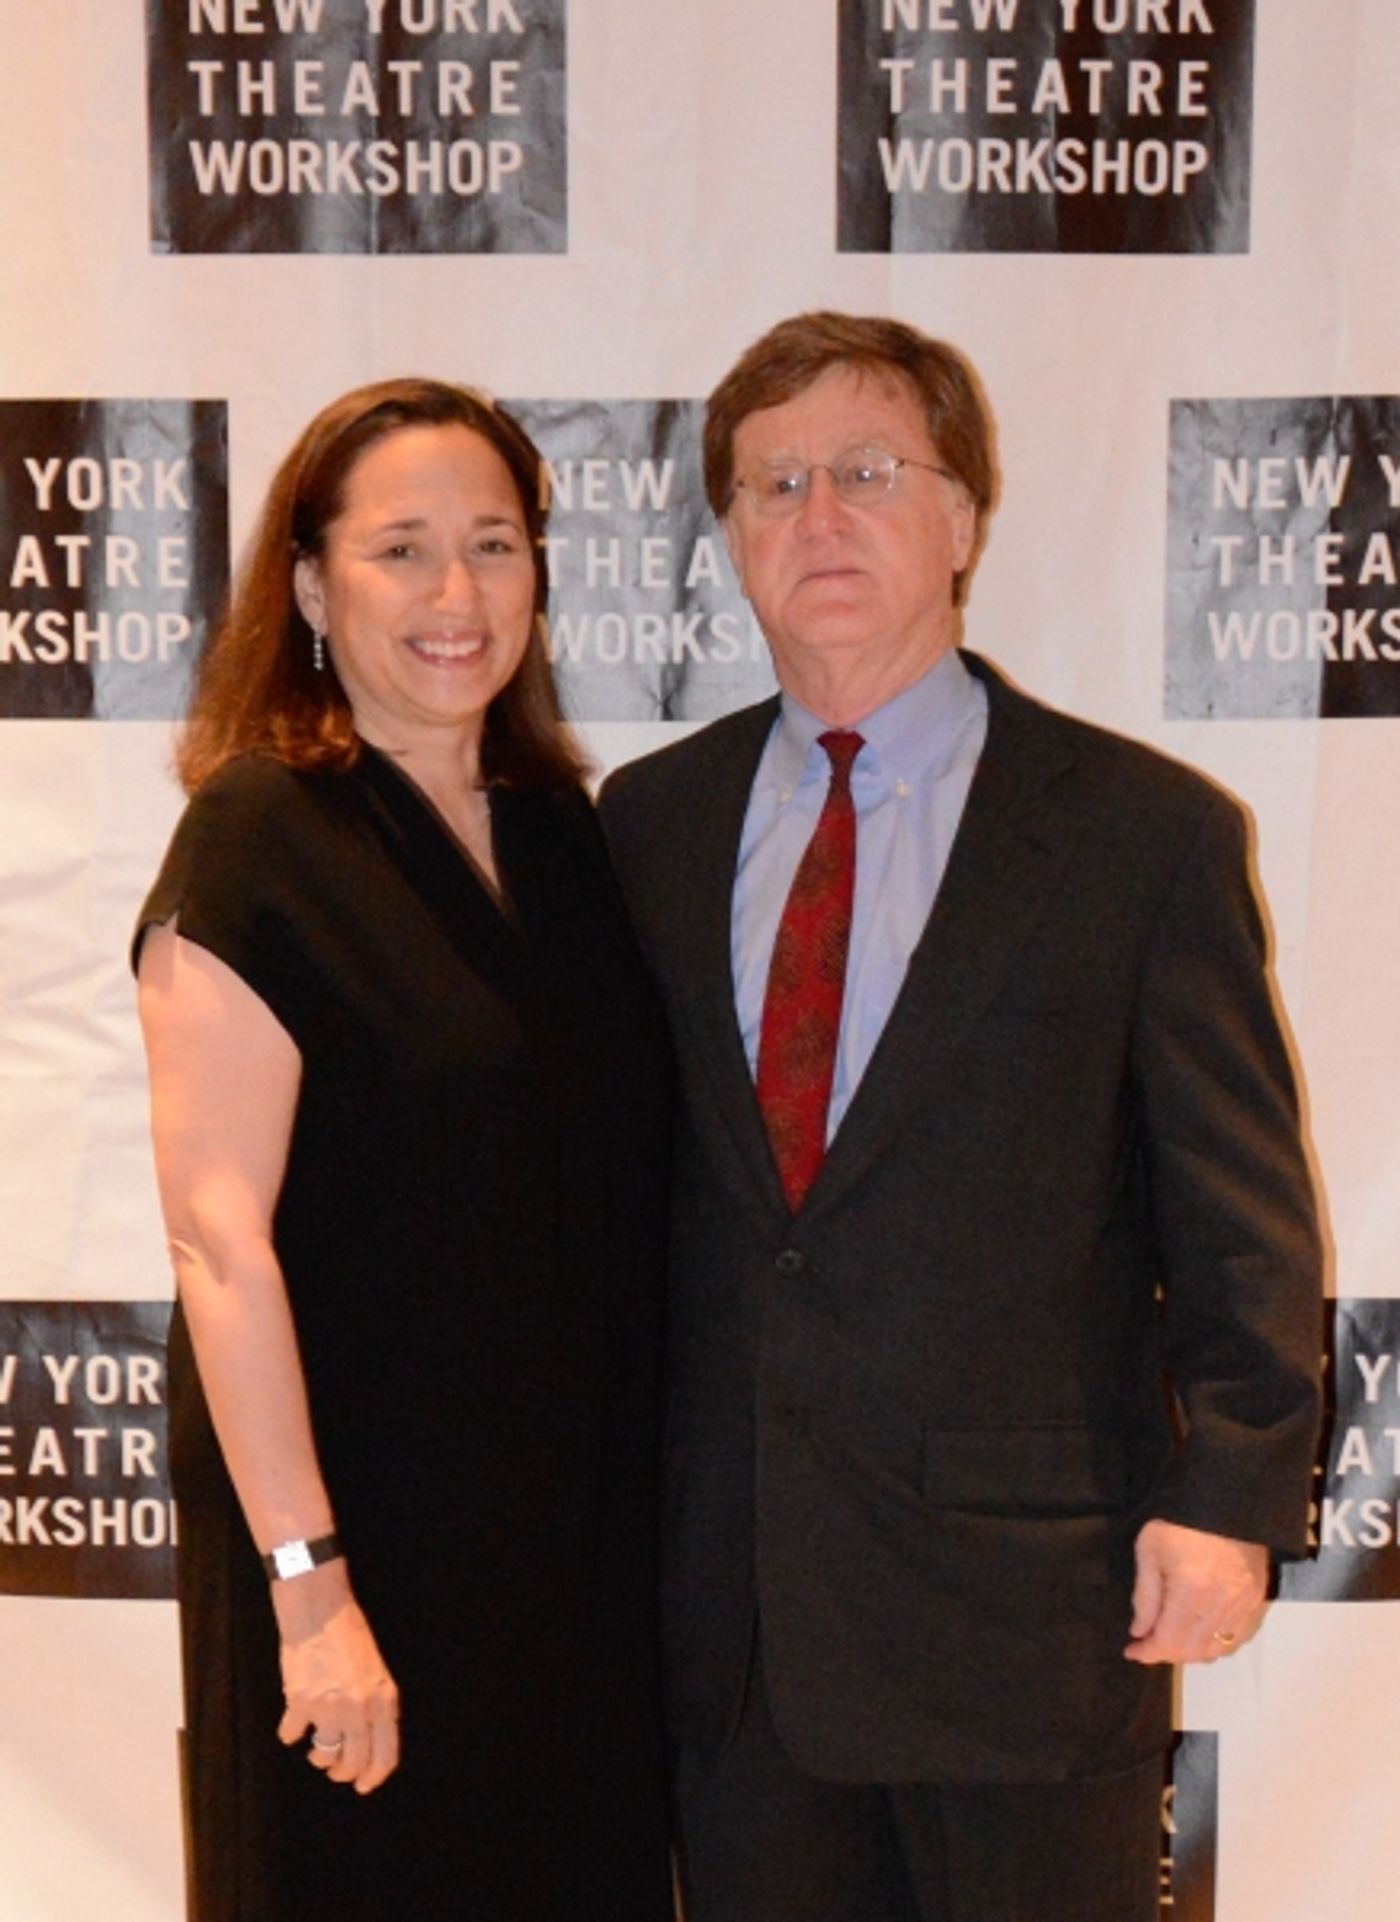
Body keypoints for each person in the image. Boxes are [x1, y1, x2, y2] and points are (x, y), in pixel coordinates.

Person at [598, 312, 1323, 1922]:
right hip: (739, 1632)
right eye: (775, 483)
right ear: (730, 536)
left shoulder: (1141, 837)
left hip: (1029, 1621)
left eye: (868, 471)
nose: (819, 516)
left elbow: (1241, 1212)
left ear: (965, 517)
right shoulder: (647, 826)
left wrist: (1231, 1495)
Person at [133, 378, 673, 1922]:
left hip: (575, 1575)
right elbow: (218, 1240)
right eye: (401, 549)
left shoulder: (564, 836)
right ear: (311, 587)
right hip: (358, 1560)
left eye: (494, 544)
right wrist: (311, 1591)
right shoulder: (258, 836)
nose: (458, 594)